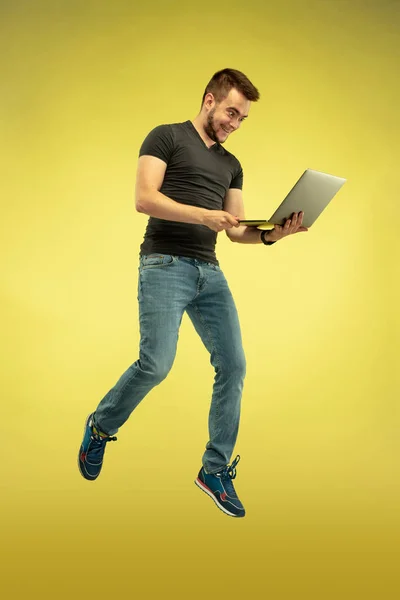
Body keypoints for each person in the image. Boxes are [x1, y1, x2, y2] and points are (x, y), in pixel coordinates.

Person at [78, 68, 308, 518]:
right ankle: (101, 426)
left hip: (209, 274)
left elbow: (237, 230)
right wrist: (203, 216)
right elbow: (145, 198)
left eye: (242, 119)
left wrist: (275, 235)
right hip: (163, 263)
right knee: (157, 364)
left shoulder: (231, 165)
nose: (235, 124)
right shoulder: (165, 137)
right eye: (231, 113)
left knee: (234, 364)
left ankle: (214, 468)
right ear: (209, 100)